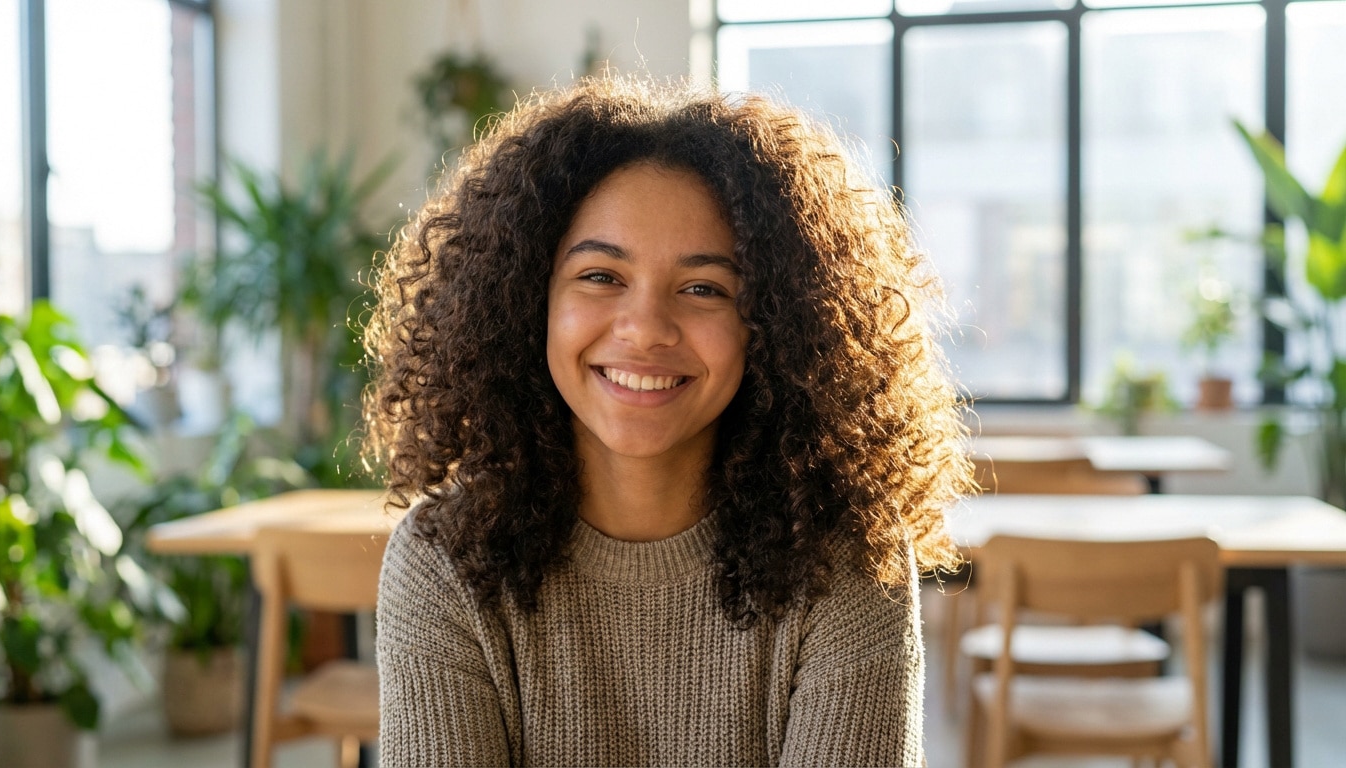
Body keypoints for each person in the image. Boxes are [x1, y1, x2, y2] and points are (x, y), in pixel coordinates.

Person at [363, 76, 973, 767]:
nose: (646, 329)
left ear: (773, 326)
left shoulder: (846, 560)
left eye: (704, 289)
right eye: (601, 276)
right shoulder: (445, 562)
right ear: (528, 300)